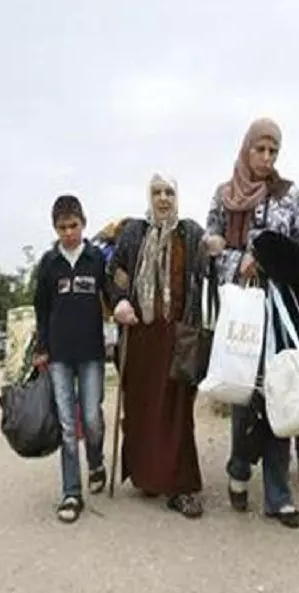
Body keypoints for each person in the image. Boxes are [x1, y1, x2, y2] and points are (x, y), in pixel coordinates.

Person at [204, 117, 299, 528]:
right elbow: (211, 246)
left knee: (281, 392)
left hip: (284, 309)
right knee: (245, 393)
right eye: (260, 149)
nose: (266, 157)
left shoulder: (289, 194)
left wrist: (281, 256)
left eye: (273, 151)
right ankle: (239, 467)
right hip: (243, 310)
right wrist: (240, 261)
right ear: (246, 149)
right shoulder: (223, 197)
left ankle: (278, 495)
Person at [109, 173, 206, 518]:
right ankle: (149, 476)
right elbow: (118, 271)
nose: (163, 198)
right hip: (140, 336)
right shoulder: (134, 232)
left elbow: (204, 274)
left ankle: (182, 487)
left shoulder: (190, 233)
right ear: (148, 197)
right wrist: (120, 301)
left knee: (177, 413)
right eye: (156, 192)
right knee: (143, 408)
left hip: (178, 336)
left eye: (169, 192)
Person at [33, 194, 110, 524]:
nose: (68, 233)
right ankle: (71, 492)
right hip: (60, 356)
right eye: (62, 227)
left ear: (84, 223)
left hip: (92, 352)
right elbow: (41, 309)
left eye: (73, 226)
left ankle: (95, 461)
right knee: (67, 426)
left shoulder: (96, 259)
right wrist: (41, 348)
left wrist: (122, 305)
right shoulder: (48, 264)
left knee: (91, 418)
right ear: (54, 228)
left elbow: (112, 295)